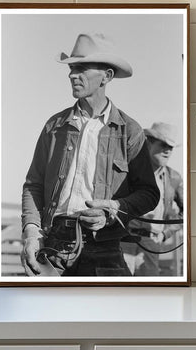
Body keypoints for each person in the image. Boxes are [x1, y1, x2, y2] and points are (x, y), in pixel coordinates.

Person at [21, 33, 160, 277]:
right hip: (53, 246)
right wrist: (31, 235)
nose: (72, 74)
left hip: (105, 247)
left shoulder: (130, 130)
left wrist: (114, 209)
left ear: (107, 76)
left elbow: (149, 193)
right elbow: (33, 185)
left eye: (82, 68)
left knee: (120, 312)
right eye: (72, 68)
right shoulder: (55, 126)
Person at [122, 122, 183, 276]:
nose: (168, 151)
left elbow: (188, 212)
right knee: (119, 291)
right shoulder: (127, 171)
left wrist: (165, 234)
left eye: (171, 147)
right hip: (123, 241)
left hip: (152, 245)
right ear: (149, 143)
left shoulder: (174, 177)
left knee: (148, 294)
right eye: (164, 144)